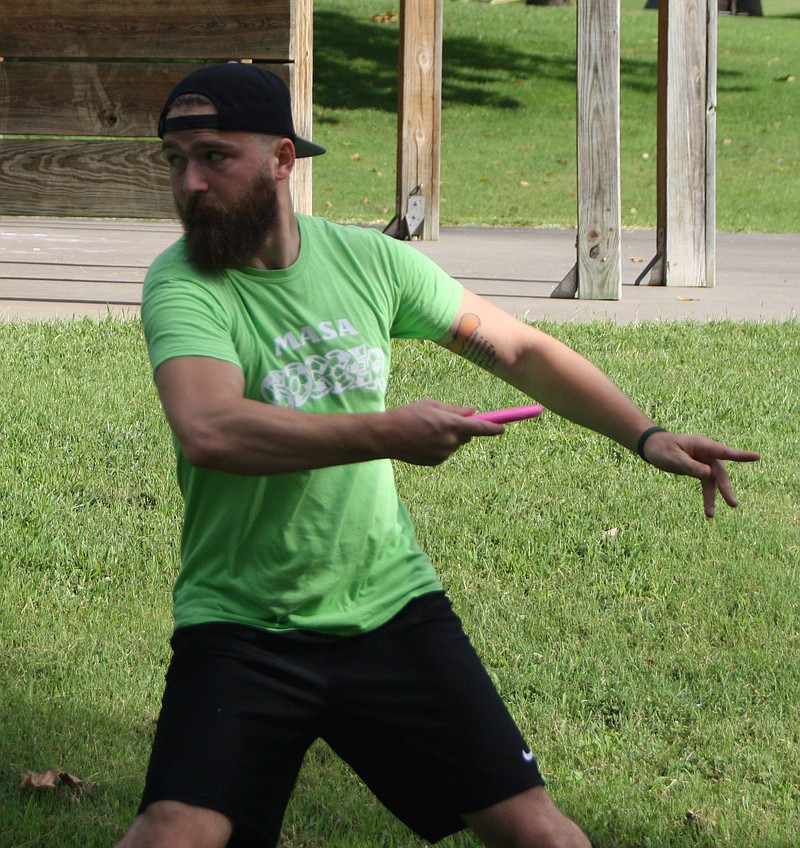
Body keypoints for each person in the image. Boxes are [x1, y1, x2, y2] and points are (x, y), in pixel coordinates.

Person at [115, 62, 760, 848]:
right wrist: (389, 432)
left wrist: (646, 435)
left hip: (390, 609)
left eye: (215, 157)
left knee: (540, 834)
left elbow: (519, 350)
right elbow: (210, 429)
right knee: (172, 833)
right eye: (175, 161)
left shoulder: (367, 264)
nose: (190, 182)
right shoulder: (184, 284)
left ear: (282, 159)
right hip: (243, 625)